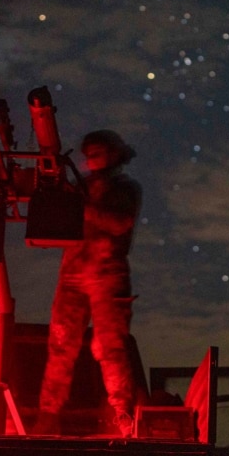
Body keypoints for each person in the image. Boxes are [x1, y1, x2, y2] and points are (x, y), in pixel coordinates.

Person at [34, 129, 142, 437]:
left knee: (111, 347)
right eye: (88, 152)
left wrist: (80, 205)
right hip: (73, 274)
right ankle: (48, 416)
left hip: (107, 274)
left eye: (97, 152)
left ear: (113, 154)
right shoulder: (78, 188)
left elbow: (120, 222)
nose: (90, 158)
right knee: (60, 345)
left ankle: (122, 415)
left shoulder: (125, 188)